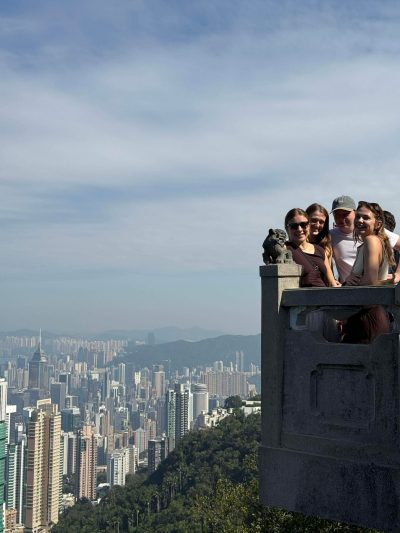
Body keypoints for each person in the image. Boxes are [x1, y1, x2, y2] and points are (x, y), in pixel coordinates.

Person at [341, 201, 395, 344]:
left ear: (378, 223)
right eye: (358, 216)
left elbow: (370, 283)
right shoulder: (370, 243)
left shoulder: (371, 241)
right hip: (364, 316)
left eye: (366, 217)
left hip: (368, 317)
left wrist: (348, 284)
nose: (360, 220)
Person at [330, 195, 400, 283]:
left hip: (363, 291)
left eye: (345, 214)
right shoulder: (331, 235)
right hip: (352, 289)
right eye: (337, 215)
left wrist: (398, 275)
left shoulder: (372, 239)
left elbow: (370, 282)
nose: (360, 220)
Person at [284, 208, 336, 287]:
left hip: (325, 293)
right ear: (287, 229)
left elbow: (332, 283)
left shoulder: (320, 250)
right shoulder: (285, 249)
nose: (299, 229)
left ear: (308, 226)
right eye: (294, 226)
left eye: (303, 225)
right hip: (302, 294)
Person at [306, 203, 338, 284]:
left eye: (321, 222)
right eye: (314, 220)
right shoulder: (296, 245)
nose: (317, 225)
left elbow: (329, 273)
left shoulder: (326, 246)